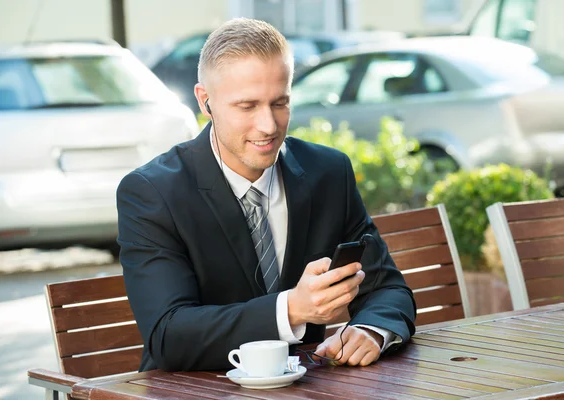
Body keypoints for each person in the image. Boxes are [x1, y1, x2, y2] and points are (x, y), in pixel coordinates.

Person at [116, 18, 416, 372]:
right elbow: (168, 336)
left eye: (280, 103)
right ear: (205, 101)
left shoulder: (329, 174)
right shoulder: (152, 193)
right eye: (247, 106)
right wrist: (291, 309)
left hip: (307, 390)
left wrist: (371, 331)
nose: (269, 125)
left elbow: (388, 289)